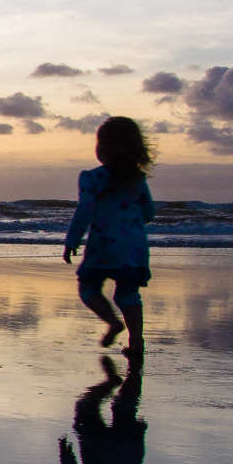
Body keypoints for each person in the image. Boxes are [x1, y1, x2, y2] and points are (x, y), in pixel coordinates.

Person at [64, 116, 156, 356]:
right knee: (128, 293)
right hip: (134, 247)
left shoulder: (93, 178)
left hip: (103, 245)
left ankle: (113, 322)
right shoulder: (137, 179)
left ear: (102, 148)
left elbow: (85, 211)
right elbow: (148, 213)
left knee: (88, 286)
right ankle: (136, 341)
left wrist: (72, 241)